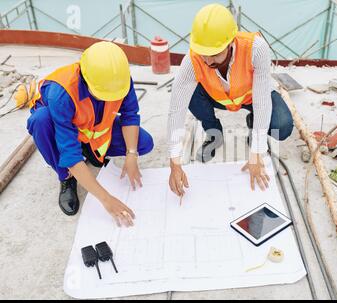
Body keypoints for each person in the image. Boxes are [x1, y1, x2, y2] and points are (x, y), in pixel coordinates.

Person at [167, 3, 293, 199]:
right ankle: (214, 134)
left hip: (252, 97)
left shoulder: (256, 49)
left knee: (282, 126)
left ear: (230, 42)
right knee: (188, 95)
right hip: (219, 97)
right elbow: (176, 109)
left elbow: (261, 101)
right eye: (203, 55)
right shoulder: (192, 60)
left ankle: (253, 124)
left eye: (215, 54)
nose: (207, 62)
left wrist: (256, 153)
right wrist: (174, 162)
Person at [27, 41, 153, 227]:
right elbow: (69, 153)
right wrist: (107, 199)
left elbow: (130, 115)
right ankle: (66, 178)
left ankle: (91, 152)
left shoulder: (119, 79)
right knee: (40, 120)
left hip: (92, 130)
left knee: (143, 143)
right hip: (61, 128)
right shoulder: (62, 93)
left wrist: (131, 154)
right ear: (86, 80)